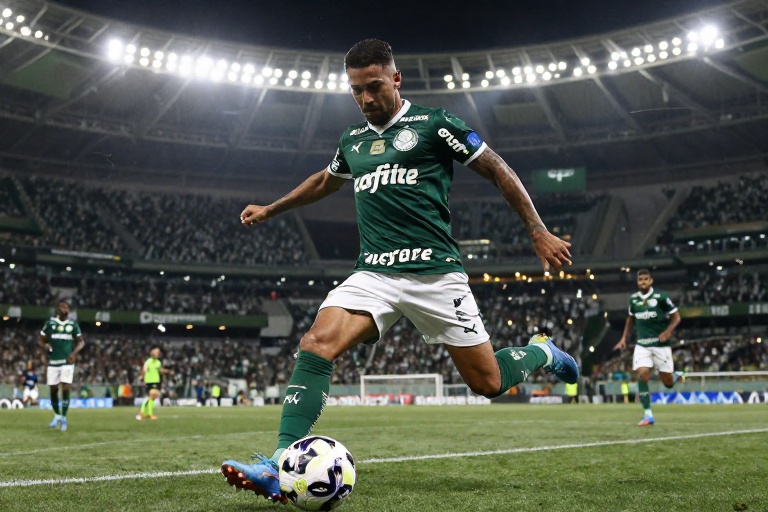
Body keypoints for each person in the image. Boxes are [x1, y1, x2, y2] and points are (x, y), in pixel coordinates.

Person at [220, 38, 579, 502]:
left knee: (488, 382)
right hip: (374, 274)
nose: (366, 98)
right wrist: (272, 209)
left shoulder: (434, 124)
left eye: (374, 86)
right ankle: (279, 463)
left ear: (395, 79)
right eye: (356, 90)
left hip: (436, 273)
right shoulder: (353, 140)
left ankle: (542, 352)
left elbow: (497, 168)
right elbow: (325, 181)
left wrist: (537, 229)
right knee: (316, 343)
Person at [613, 268, 683, 426]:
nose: (642, 282)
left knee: (668, 383)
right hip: (642, 345)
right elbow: (630, 319)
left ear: (651, 281)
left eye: (645, 279)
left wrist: (668, 331)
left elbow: (676, 317)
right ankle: (648, 415)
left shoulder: (661, 297)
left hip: (661, 345)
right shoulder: (633, 299)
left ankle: (676, 376)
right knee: (643, 373)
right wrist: (623, 338)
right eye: (640, 279)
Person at [39, 300, 85, 432]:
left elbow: (81, 342)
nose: (65, 309)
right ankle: (57, 415)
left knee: (66, 387)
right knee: (53, 389)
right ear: (57, 309)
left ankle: (64, 417)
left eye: (67, 307)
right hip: (53, 362)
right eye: (62, 307)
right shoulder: (50, 324)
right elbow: (41, 340)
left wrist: (74, 353)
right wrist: (46, 346)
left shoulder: (73, 325)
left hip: (67, 362)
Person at [136, 347, 171, 420]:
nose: (158, 354)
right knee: (152, 396)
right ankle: (145, 414)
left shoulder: (158, 362)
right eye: (157, 352)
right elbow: (144, 370)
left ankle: (146, 414)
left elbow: (160, 370)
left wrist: (168, 371)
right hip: (150, 381)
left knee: (152, 398)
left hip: (156, 381)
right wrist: (142, 378)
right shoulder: (148, 362)